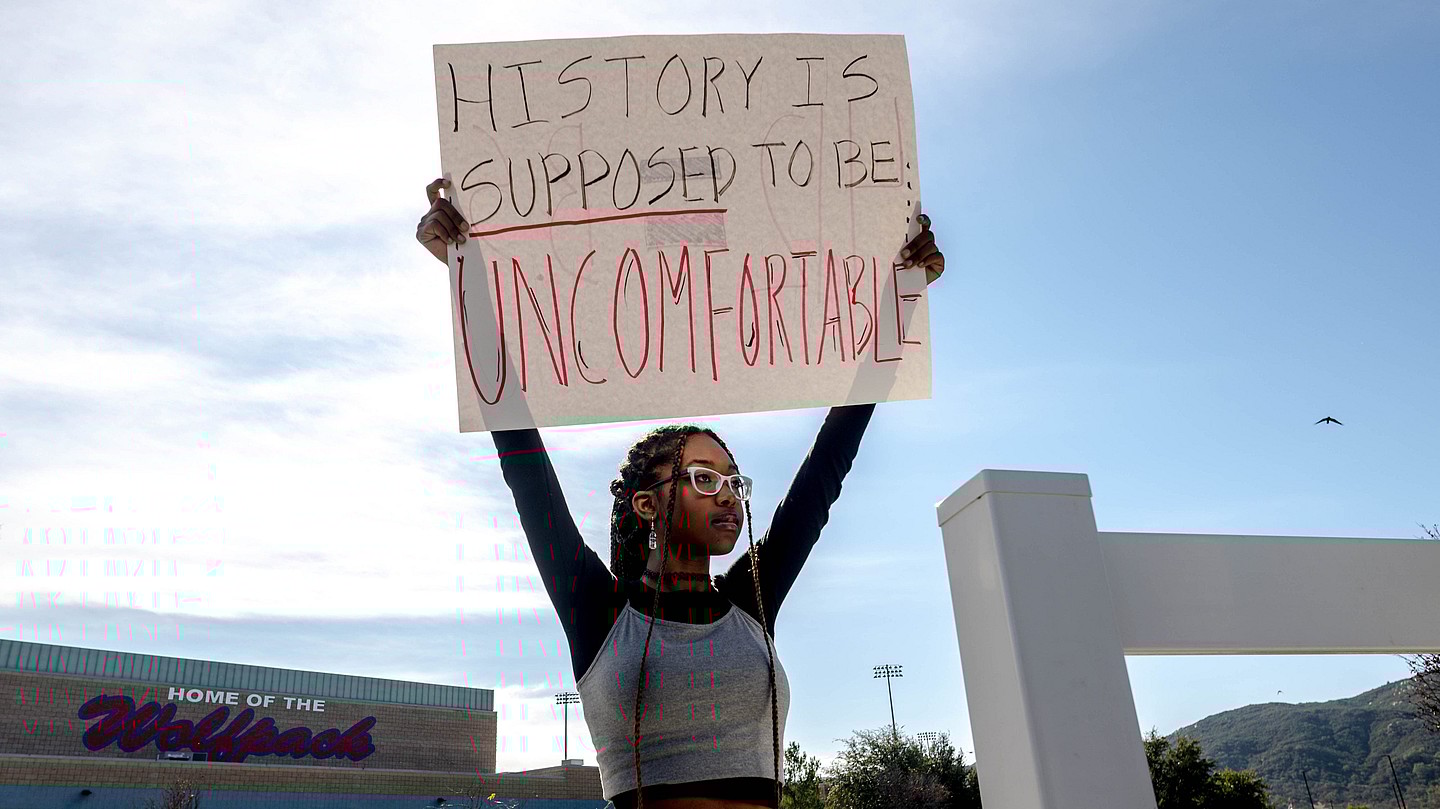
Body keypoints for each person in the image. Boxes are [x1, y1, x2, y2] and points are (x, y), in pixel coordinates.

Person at [416, 179, 945, 809]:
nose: (727, 496)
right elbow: (522, 462)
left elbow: (830, 463)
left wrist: (901, 300)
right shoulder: (599, 610)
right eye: (701, 479)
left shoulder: (752, 598)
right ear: (646, 504)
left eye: (732, 482)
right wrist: (462, 278)